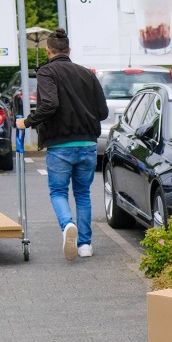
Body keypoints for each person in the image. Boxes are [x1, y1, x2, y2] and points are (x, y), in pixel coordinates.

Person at [16, 29, 107, 261]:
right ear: (69, 50)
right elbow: (103, 112)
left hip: (60, 145)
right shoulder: (88, 74)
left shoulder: (47, 72)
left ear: (48, 51)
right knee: (83, 194)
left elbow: (49, 105)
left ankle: (67, 225)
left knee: (58, 191)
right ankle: (85, 245)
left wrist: (26, 122)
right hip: (88, 143)